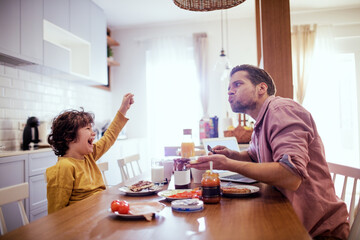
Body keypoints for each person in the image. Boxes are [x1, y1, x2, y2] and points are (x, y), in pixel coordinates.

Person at [190, 64, 349, 239]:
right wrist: (231, 154)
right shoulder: (261, 121)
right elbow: (253, 156)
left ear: (261, 88)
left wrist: (229, 164)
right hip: (293, 218)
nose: (230, 91)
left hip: (319, 231)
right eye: (229, 87)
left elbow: (291, 175)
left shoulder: (281, 109)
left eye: (237, 84)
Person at [46, 93, 134, 214]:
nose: (93, 133)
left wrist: (123, 109)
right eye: (88, 129)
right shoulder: (65, 167)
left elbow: (109, 136)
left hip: (100, 213)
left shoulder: (88, 157)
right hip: (82, 222)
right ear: (69, 137)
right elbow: (56, 212)